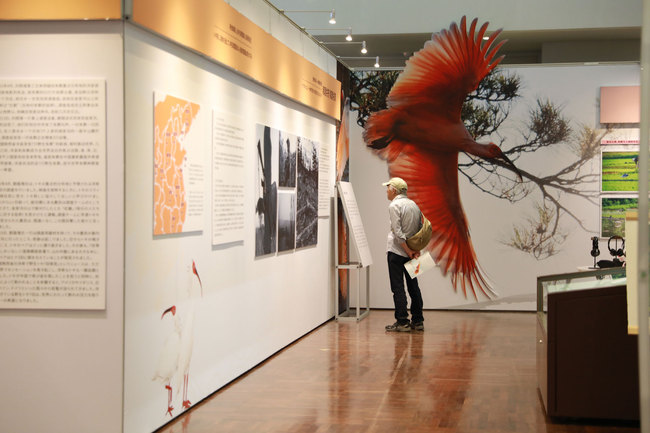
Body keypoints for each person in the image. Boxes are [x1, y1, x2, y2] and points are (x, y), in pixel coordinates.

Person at [382, 177, 425, 332]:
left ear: (394, 190)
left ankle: (402, 322)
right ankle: (418, 320)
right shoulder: (414, 204)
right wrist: (415, 251)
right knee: (414, 286)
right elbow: (421, 228)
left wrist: (407, 251)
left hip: (397, 252)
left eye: (388, 188)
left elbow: (398, 233)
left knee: (398, 287)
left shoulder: (394, 205)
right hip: (413, 253)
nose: (386, 191)